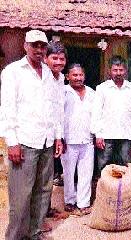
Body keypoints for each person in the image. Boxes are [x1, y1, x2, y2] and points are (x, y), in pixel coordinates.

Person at [1, 30, 63, 240]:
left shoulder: (49, 74)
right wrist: (12, 142)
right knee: (21, 198)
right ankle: (15, 237)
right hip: (24, 142)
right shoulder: (13, 72)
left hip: (45, 141)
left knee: (43, 192)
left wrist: (57, 136)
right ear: (25, 46)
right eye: (34, 45)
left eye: (42, 46)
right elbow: (7, 108)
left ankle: (34, 234)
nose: (38, 49)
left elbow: (53, 107)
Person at [91, 55, 131, 174]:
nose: (118, 73)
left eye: (121, 70)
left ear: (125, 71)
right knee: (104, 167)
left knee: (125, 166)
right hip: (106, 134)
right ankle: (104, 191)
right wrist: (98, 134)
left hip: (126, 134)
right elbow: (96, 113)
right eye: (115, 70)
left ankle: (123, 192)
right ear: (110, 71)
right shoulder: (102, 88)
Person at [61, 64, 95, 215]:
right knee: (68, 173)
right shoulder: (63, 92)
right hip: (68, 140)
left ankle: (83, 203)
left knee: (86, 173)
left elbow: (97, 116)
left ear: (84, 76)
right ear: (68, 77)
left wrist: (95, 134)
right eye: (74, 75)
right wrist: (60, 138)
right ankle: (69, 200)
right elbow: (57, 116)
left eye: (80, 75)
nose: (78, 78)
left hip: (87, 140)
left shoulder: (92, 93)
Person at [44, 40, 67, 220]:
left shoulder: (60, 79)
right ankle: (37, 218)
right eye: (54, 58)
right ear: (46, 59)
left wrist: (59, 138)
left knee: (47, 178)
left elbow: (59, 110)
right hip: (37, 135)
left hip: (52, 136)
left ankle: (45, 211)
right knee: (36, 180)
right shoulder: (41, 77)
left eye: (61, 59)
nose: (58, 62)